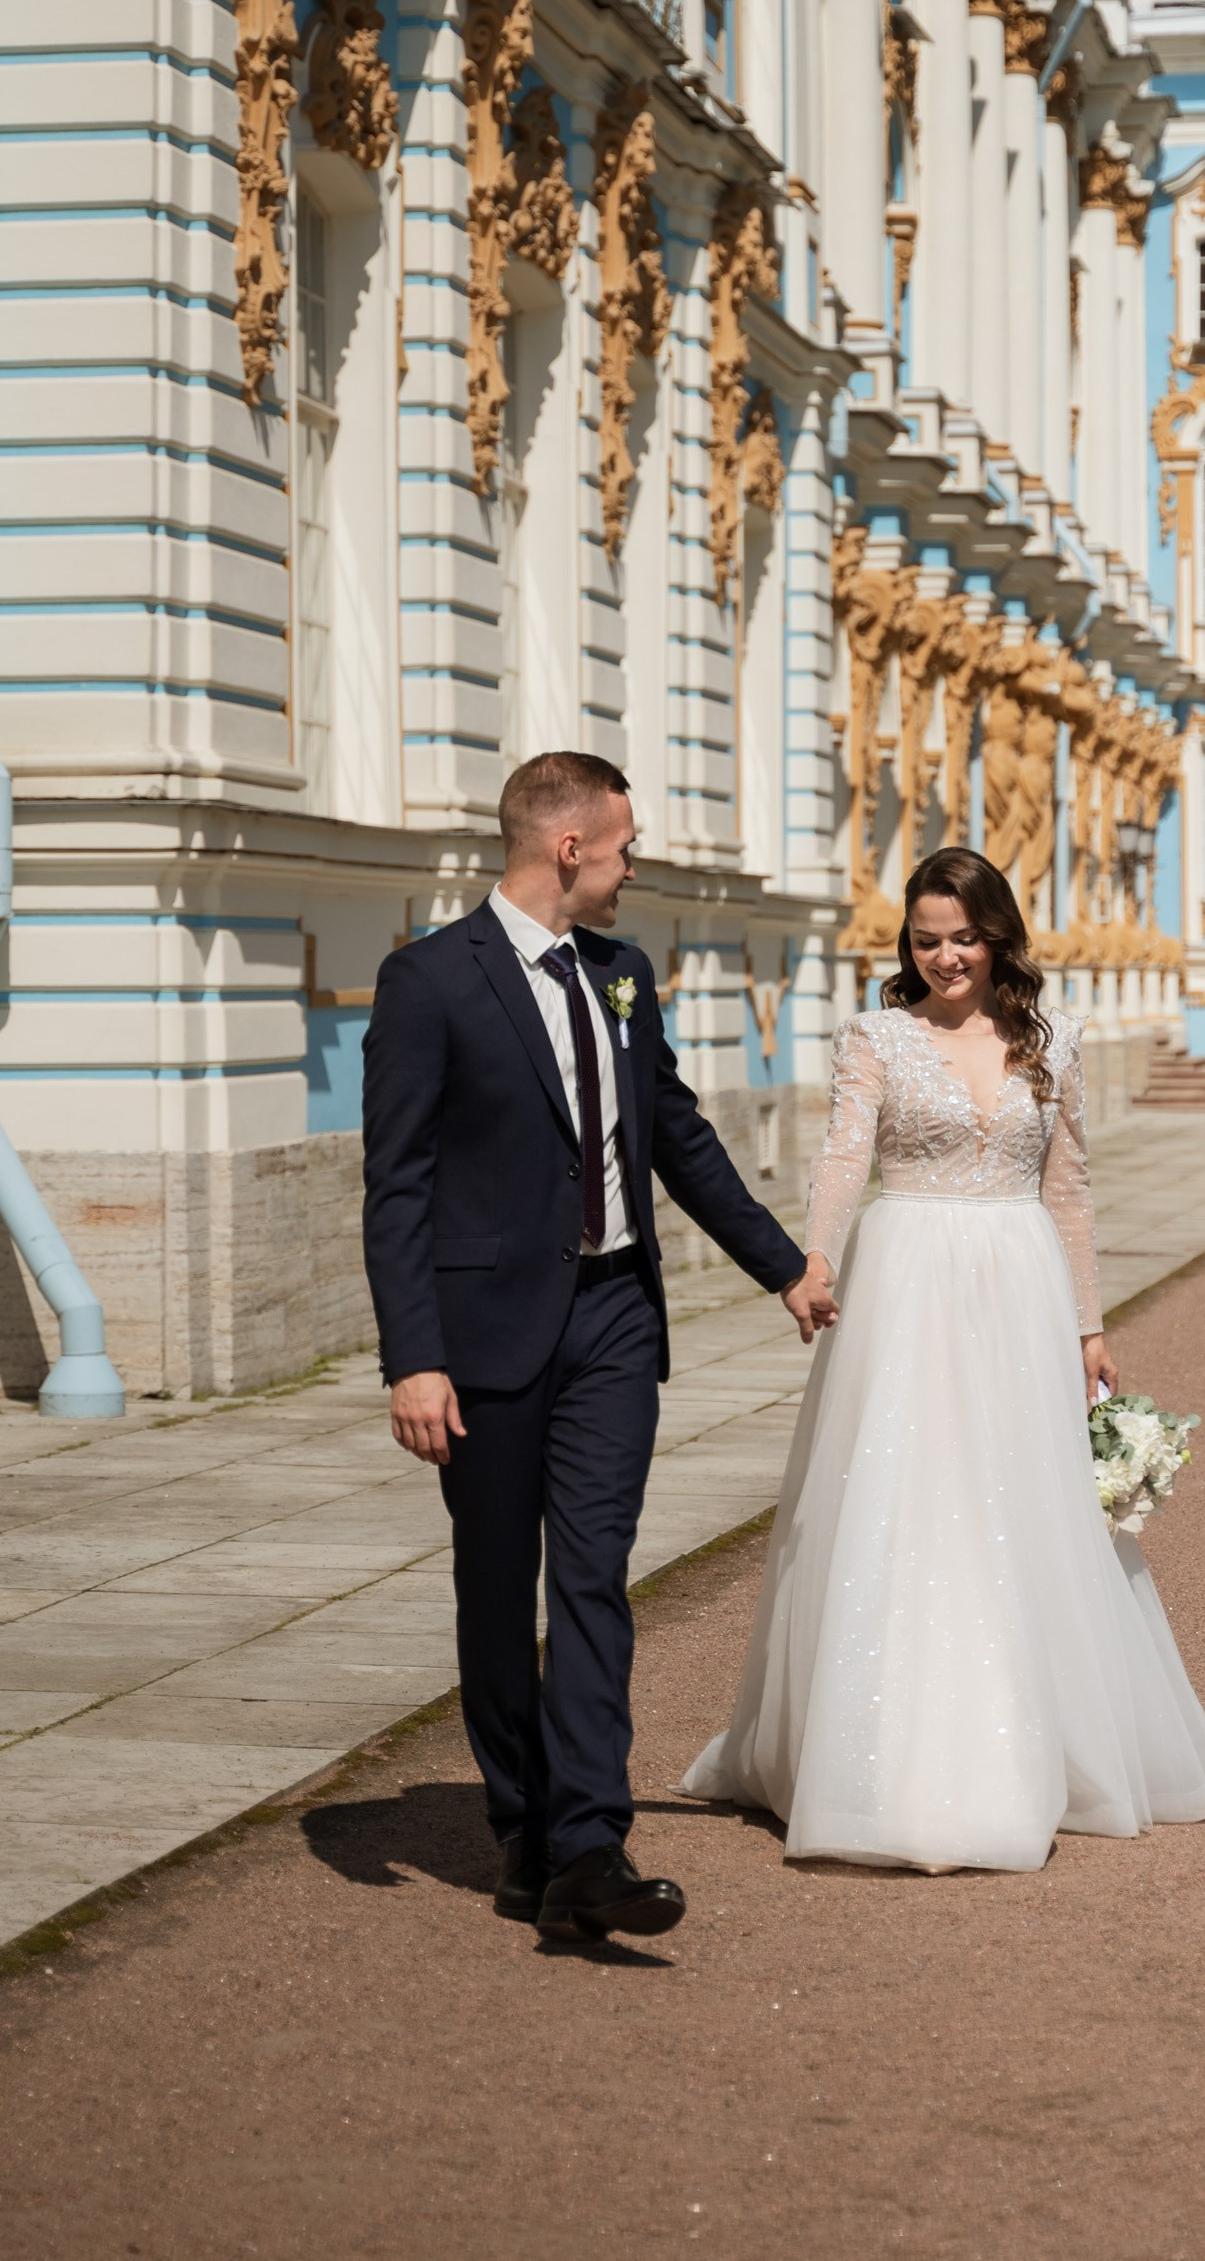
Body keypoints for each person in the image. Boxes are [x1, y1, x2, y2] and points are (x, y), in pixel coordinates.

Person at [683, 845, 1205, 1870]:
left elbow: (1069, 1187)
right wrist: (810, 1257)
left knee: (1018, 1497)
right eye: (925, 938)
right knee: (902, 1494)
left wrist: (1088, 1322)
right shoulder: (875, 1035)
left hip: (1019, 1277)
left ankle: (1042, 1732)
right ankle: (877, 1750)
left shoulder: (1052, 1039)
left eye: (961, 935)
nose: (944, 955)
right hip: (905, 1277)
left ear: (996, 936)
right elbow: (842, 1154)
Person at [362, 751, 835, 1940]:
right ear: (567, 848)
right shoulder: (428, 981)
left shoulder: (625, 973)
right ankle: (519, 1821)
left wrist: (781, 1262)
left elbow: (673, 1129)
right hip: (481, 1334)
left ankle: (587, 1840)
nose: (633, 866)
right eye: (622, 845)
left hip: (616, 1314)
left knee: (591, 1574)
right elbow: (395, 1185)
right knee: (492, 1581)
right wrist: (411, 1355)